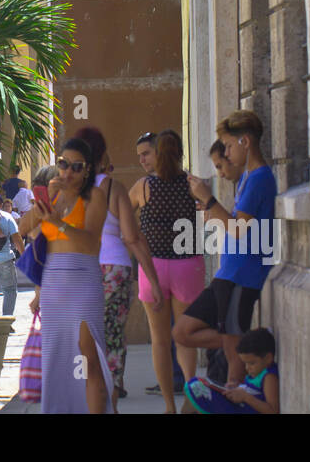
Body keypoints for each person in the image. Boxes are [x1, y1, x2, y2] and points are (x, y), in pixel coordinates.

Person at [174, 110, 278, 386]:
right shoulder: (247, 178)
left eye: (230, 146)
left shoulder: (260, 179)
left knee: (234, 357)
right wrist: (213, 210)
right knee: (182, 331)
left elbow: (239, 229)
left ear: (245, 142)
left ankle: (234, 397)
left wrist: (209, 201)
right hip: (228, 272)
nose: (227, 153)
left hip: (243, 275)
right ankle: (244, 343)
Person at [15, 137, 114, 414]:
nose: (68, 172)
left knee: (88, 356)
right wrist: (44, 205)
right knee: (57, 359)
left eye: (76, 166)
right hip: (54, 280)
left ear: (87, 170)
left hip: (83, 278)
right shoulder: (53, 194)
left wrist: (58, 222)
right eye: (63, 164)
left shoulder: (94, 196)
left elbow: (91, 243)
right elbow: (23, 228)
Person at [70, 127, 162, 406]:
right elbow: (132, 237)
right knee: (111, 338)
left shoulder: (69, 188)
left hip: (80, 270)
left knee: (84, 341)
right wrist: (152, 279)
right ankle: (111, 394)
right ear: (101, 153)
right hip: (114, 269)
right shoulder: (112, 187)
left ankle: (88, 396)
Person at [126, 129, 203, 412]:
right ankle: (191, 402)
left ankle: (169, 405)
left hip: (153, 266)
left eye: (146, 154)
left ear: (159, 154)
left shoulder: (143, 187)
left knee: (159, 341)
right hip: (188, 265)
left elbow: (122, 217)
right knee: (186, 336)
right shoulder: (194, 184)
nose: (143, 161)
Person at [183, 327, 279, 414]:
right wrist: (237, 387)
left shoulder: (269, 376)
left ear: (268, 358)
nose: (247, 368)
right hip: (239, 406)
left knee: (197, 390)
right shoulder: (258, 371)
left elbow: (273, 410)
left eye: (251, 363)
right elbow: (253, 390)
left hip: (241, 409)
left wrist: (245, 397)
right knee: (194, 385)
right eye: (245, 363)